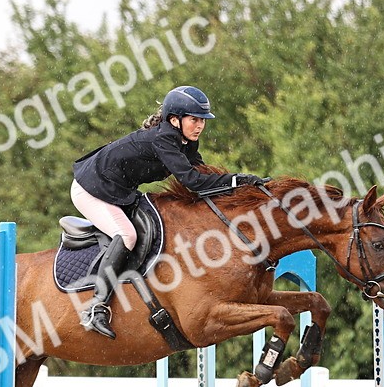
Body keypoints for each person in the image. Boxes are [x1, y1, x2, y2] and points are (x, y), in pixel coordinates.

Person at [70, 85, 267, 339]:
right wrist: (236, 181)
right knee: (127, 235)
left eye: (202, 121)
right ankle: (96, 306)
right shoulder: (164, 138)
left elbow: (203, 174)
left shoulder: (185, 141)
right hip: (91, 188)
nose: (200, 126)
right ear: (175, 120)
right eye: (194, 120)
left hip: (119, 189)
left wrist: (241, 189)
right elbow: (192, 182)